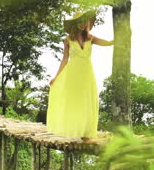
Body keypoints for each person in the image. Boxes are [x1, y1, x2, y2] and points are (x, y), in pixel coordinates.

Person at [46, 10, 114, 144]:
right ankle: (79, 132)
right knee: (76, 101)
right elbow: (65, 59)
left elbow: (107, 43)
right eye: (80, 22)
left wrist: (116, 40)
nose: (82, 24)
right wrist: (56, 77)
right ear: (75, 24)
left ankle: (87, 135)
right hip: (73, 74)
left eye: (85, 21)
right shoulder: (68, 40)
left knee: (88, 101)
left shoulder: (91, 38)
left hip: (87, 73)